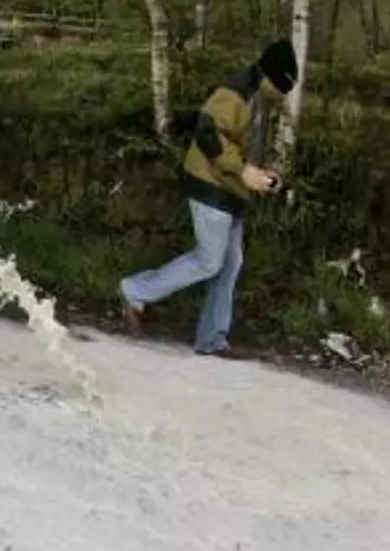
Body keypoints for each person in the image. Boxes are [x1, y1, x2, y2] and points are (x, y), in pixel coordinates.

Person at [119, 39, 299, 357]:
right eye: (283, 87)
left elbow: (241, 143)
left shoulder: (258, 99)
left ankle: (212, 339)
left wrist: (263, 173)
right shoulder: (236, 93)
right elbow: (207, 133)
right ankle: (134, 290)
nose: (284, 94)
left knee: (230, 264)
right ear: (271, 76)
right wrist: (243, 171)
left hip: (231, 190)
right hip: (210, 183)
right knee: (210, 260)